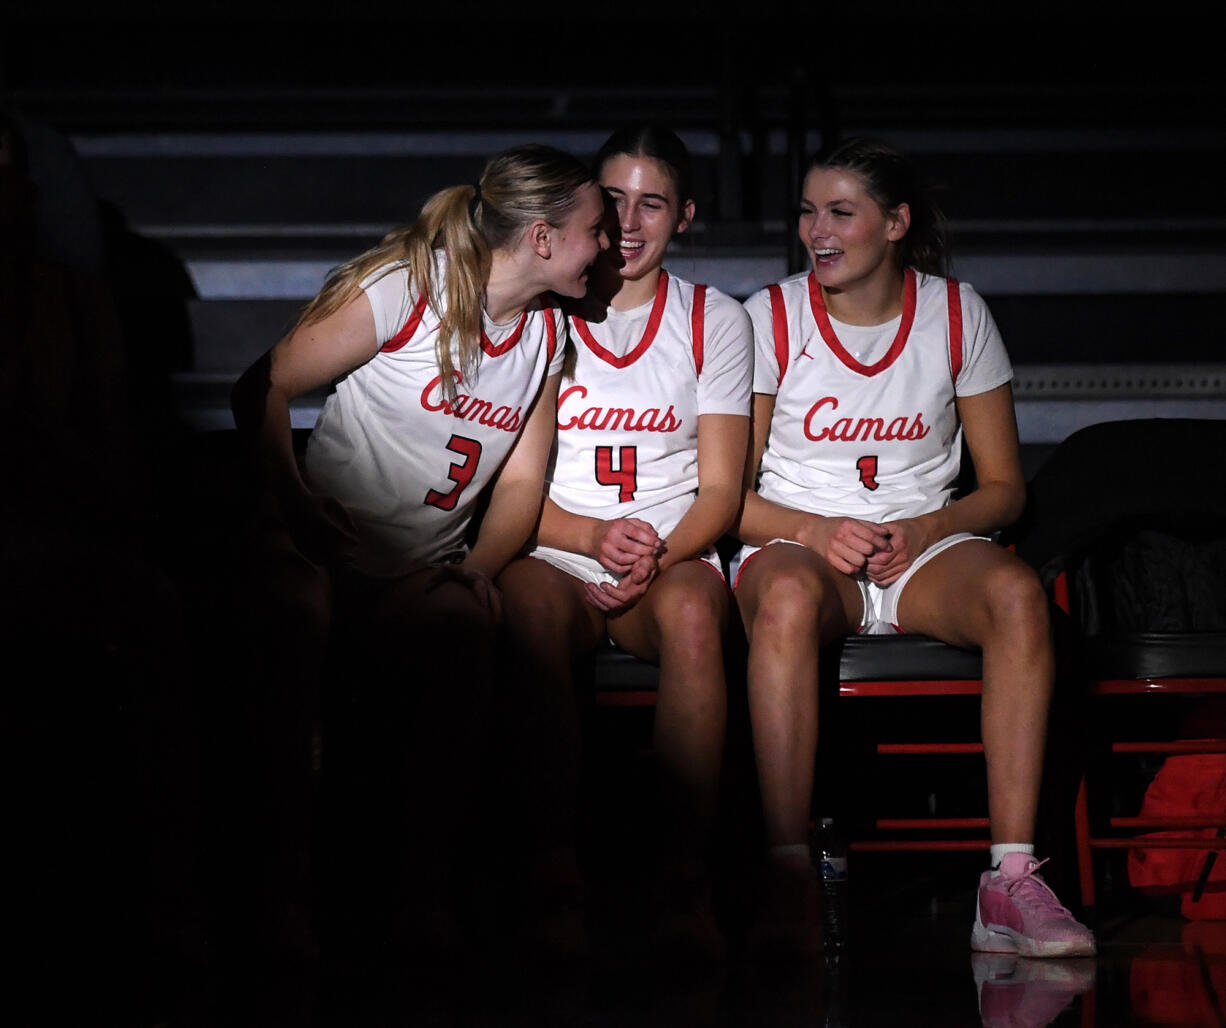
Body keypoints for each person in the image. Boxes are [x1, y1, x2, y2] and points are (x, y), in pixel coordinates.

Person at [229, 144, 608, 961]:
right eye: (593, 231)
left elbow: (519, 487)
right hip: (319, 553)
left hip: (416, 572)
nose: (606, 246)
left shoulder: (545, 334)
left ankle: (422, 898)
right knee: (296, 614)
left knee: (464, 627)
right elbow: (261, 384)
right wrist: (296, 504)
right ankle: (279, 896)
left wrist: (469, 571)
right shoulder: (413, 284)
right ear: (541, 238)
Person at [733, 137, 1095, 958]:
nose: (815, 231)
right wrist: (817, 530)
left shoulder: (957, 312)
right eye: (806, 211)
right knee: (786, 600)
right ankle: (786, 876)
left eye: (839, 212)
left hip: (921, 546)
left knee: (1015, 596)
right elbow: (730, 499)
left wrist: (929, 528)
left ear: (895, 223)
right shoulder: (771, 316)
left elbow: (1004, 487)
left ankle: (1009, 881)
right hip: (802, 544)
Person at [497, 126, 752, 957]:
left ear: (685, 214)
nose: (630, 222)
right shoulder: (542, 309)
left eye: (652, 202)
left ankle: (683, 878)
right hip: (558, 545)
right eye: (612, 201)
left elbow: (721, 490)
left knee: (690, 620)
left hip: (669, 551)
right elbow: (509, 490)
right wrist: (591, 535)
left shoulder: (715, 318)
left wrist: (657, 556)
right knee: (527, 610)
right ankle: (547, 872)